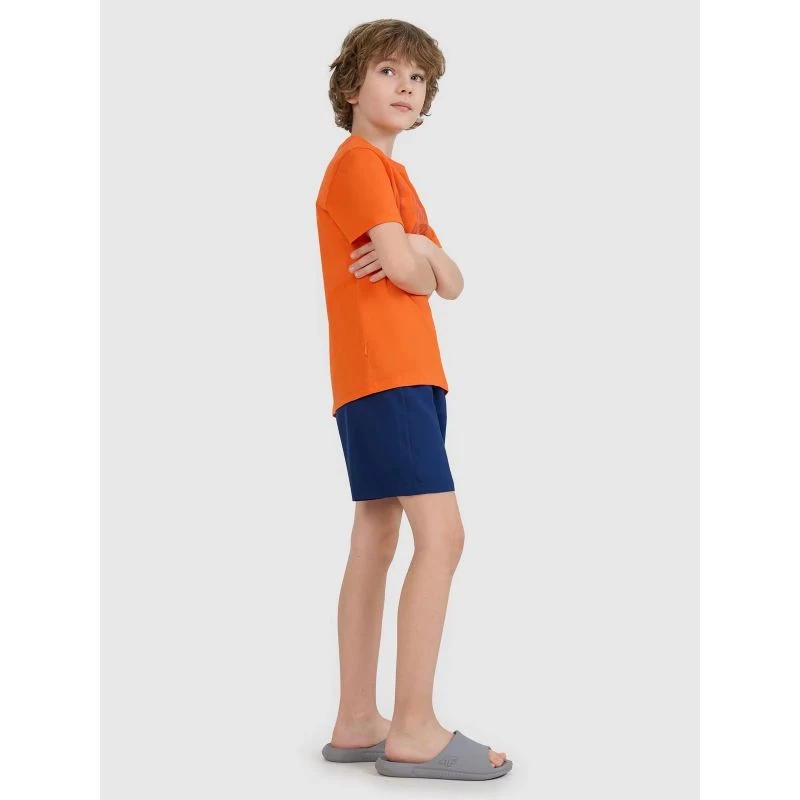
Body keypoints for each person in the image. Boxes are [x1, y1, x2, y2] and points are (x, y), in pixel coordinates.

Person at [315, 19, 512, 781]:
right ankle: (416, 729)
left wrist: (418, 251)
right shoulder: (360, 164)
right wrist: (415, 258)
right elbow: (406, 273)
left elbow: (448, 279)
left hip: (395, 376)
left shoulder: (392, 178)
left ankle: (357, 719)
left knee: (377, 534)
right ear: (351, 86)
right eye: (388, 71)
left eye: (417, 78)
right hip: (388, 374)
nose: (405, 87)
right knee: (444, 536)